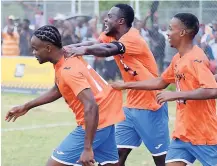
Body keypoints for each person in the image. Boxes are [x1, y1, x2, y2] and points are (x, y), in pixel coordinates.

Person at [65, 4, 170, 166]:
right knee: (117, 154)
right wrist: (70, 48)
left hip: (151, 106)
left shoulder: (133, 38)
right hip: (130, 107)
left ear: (121, 21)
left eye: (109, 16)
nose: (105, 19)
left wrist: (84, 51)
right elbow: (96, 43)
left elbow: (108, 49)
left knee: (161, 159)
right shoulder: (111, 34)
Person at [5, 25, 125, 166]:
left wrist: (87, 149)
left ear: (49, 48)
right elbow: (58, 89)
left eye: (36, 48)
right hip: (106, 117)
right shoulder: (64, 58)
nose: (33, 52)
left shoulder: (69, 70)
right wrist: (26, 106)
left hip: (96, 122)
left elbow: (91, 105)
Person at [111, 13, 217, 166]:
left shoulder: (196, 58)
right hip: (182, 135)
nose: (167, 33)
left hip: (204, 135)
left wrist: (175, 95)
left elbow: (212, 91)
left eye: (170, 29)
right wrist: (126, 85)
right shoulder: (178, 58)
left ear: (182, 33)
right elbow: (161, 81)